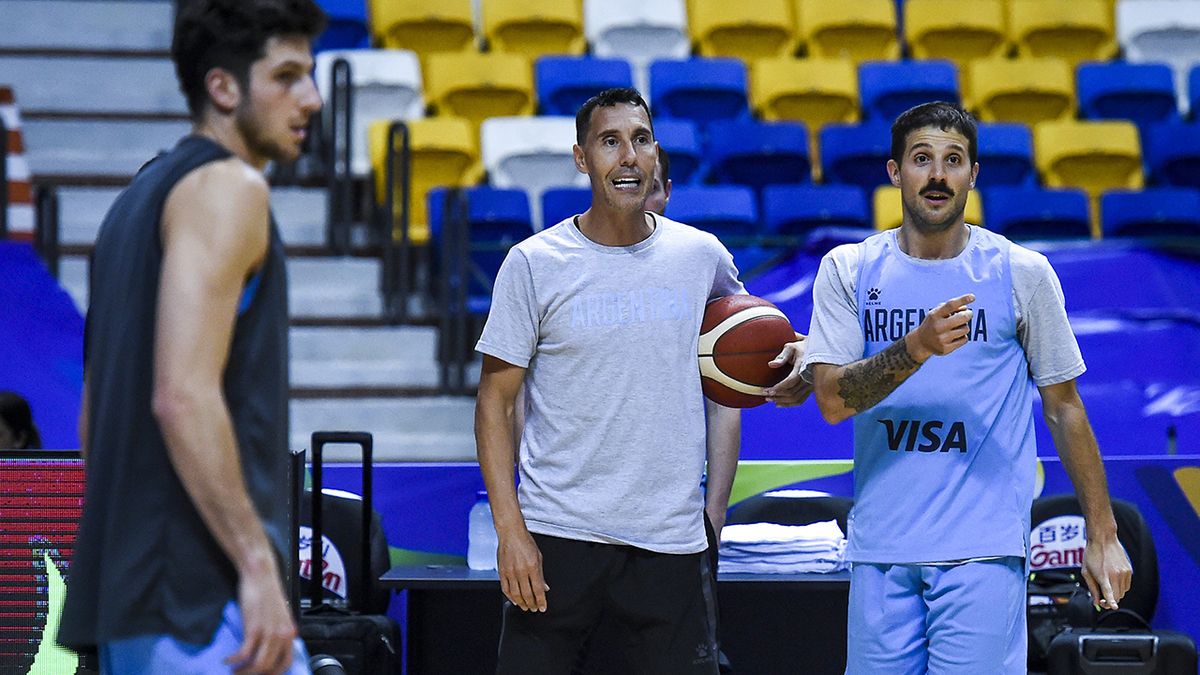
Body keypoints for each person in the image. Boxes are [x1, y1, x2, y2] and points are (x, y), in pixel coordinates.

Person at [769, 101, 1132, 673]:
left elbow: (1065, 409)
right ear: (895, 173)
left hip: (983, 548)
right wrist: (916, 347)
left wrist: (1102, 532)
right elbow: (835, 400)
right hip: (881, 548)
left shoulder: (1021, 272)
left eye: (953, 160)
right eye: (922, 159)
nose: (937, 174)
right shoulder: (849, 269)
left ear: (972, 176)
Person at [59, 2, 324, 674]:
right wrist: (258, 565)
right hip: (205, 600)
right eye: (288, 76)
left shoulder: (131, 205)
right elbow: (181, 395)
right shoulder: (229, 188)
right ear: (224, 87)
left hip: (136, 600)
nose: (312, 99)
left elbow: (94, 422)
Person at [474, 87, 748, 674]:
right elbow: (494, 404)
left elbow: (750, 348)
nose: (629, 156)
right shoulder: (532, 263)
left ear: (655, 155)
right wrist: (510, 531)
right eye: (610, 142)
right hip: (558, 540)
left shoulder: (701, 255)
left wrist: (712, 517)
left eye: (641, 140)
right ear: (581, 158)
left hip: (669, 546)